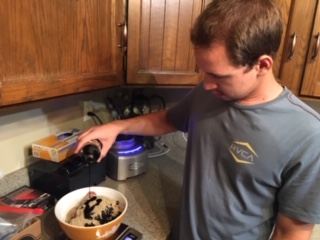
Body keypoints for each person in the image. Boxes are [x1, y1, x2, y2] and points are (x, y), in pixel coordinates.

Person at [75, 0, 320, 239]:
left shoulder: (308, 135)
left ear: (262, 65)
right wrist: (116, 127)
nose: (206, 84)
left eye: (217, 75)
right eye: (203, 71)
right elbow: (168, 120)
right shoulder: (209, 92)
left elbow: (292, 232)